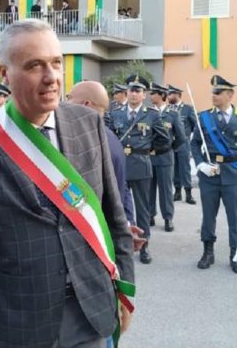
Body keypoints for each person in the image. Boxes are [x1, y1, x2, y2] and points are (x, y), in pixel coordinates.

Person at [0, 19, 135, 348]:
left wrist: (125, 289)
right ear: (5, 73)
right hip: (17, 322)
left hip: (91, 312)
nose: (51, 77)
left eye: (56, 63)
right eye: (34, 66)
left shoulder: (89, 124)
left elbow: (114, 218)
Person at [191, 75, 237, 274]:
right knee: (208, 216)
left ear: (230, 94)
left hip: (234, 174)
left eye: (218, 92)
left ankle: (235, 254)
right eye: (213, 92)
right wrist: (200, 164)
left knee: (235, 218)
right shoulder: (204, 117)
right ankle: (208, 252)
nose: (213, 95)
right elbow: (194, 143)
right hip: (210, 174)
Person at [67, 80, 145, 251]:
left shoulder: (86, 142)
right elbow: (122, 189)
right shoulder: (110, 137)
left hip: (88, 234)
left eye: (69, 98)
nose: (64, 104)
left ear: (85, 104)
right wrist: (127, 223)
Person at [109, 75, 170, 264]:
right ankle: (122, 243)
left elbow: (164, 139)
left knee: (143, 209)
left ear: (144, 95)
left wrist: (149, 150)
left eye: (138, 91)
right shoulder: (116, 113)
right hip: (120, 166)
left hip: (142, 164)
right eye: (131, 90)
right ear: (127, 92)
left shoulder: (151, 114)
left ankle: (144, 246)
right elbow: (109, 137)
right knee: (118, 207)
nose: (134, 93)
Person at [147, 83, 186, 232]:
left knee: (165, 190)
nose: (151, 96)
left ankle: (168, 218)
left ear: (161, 95)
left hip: (165, 157)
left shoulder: (173, 114)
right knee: (148, 189)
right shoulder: (147, 113)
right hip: (149, 157)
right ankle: (150, 215)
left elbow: (181, 138)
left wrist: (169, 148)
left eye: (153, 93)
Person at [167, 85, 197, 204]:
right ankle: (177, 192)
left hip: (184, 142)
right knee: (174, 168)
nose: (168, 96)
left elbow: (196, 125)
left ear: (177, 95)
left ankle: (188, 194)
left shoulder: (188, 109)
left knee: (185, 168)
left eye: (170, 94)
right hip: (171, 143)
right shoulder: (168, 109)